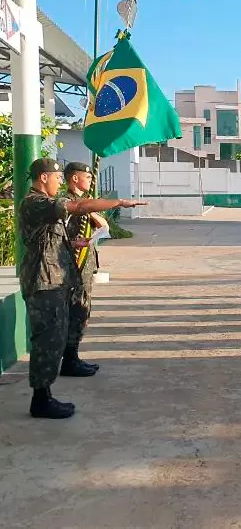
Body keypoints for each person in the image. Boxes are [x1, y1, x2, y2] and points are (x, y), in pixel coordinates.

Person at [19, 158, 145, 418]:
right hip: (44, 281)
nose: (58, 183)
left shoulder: (44, 206)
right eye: (55, 178)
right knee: (47, 340)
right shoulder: (36, 202)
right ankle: (41, 400)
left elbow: (49, 239)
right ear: (44, 177)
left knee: (55, 337)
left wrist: (72, 245)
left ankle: (45, 394)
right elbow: (77, 206)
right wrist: (118, 202)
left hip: (55, 280)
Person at [58, 162, 107, 378]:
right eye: (85, 177)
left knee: (82, 313)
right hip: (73, 268)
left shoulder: (82, 204)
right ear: (74, 179)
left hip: (84, 270)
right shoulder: (67, 204)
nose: (89, 180)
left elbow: (103, 224)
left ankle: (74, 357)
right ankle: (69, 361)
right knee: (75, 313)